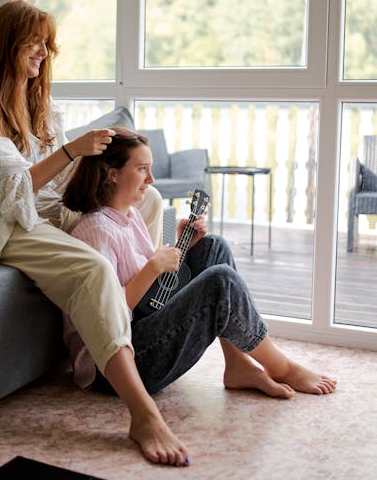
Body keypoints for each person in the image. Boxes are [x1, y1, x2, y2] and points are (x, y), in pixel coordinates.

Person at [0, 0, 189, 468]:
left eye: (47, 42)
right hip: (1, 223)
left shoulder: (39, 105)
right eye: (34, 41)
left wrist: (102, 161)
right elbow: (12, 192)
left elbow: (59, 185)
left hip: (47, 212)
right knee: (92, 268)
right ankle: (142, 412)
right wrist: (70, 150)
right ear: (8, 43)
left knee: (149, 200)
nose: (43, 51)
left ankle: (135, 311)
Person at [62, 127, 337, 416]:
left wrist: (183, 248)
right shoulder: (94, 231)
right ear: (111, 173)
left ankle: (238, 364)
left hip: (142, 328)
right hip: (117, 365)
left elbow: (151, 293)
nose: (152, 180)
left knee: (212, 247)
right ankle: (281, 367)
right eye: (142, 169)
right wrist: (155, 264)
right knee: (221, 281)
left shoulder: (128, 217)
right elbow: (105, 320)